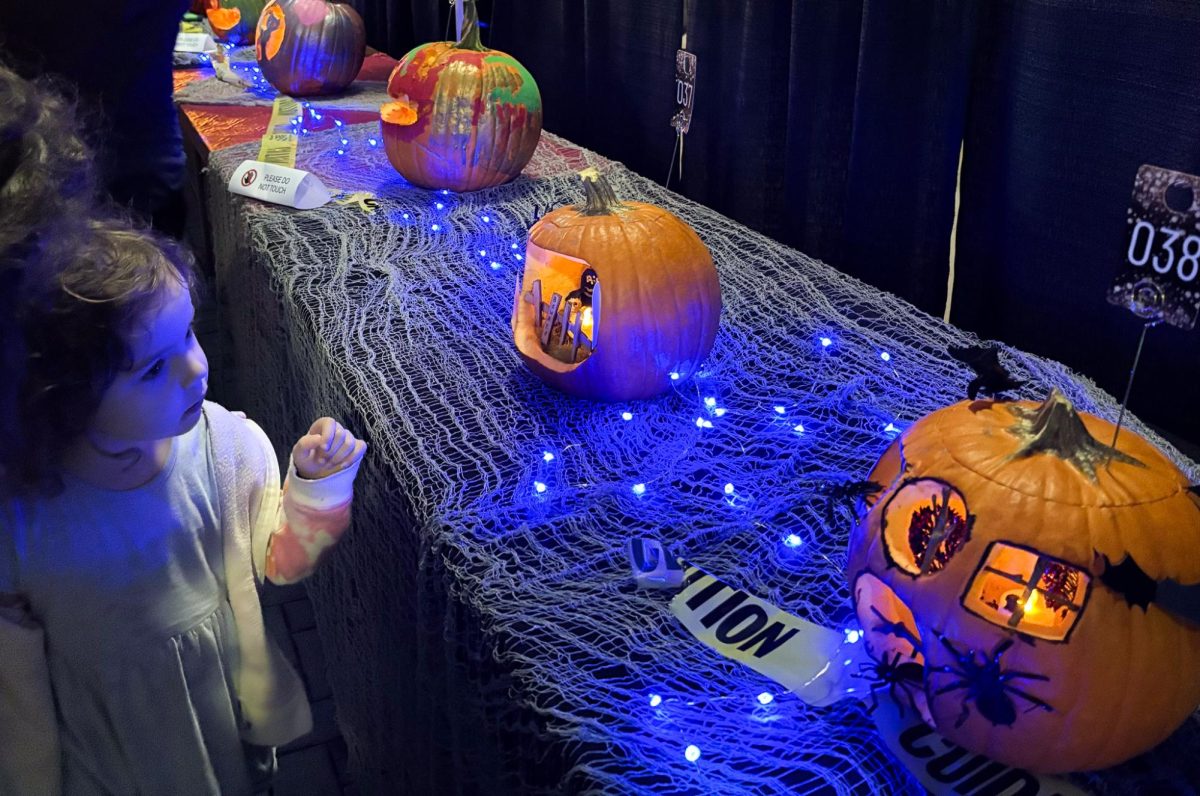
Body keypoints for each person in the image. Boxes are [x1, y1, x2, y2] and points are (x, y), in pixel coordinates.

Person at [0, 215, 368, 794]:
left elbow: (281, 562)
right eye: (152, 368)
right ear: (64, 399)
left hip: (216, 704)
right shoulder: (22, 514)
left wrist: (317, 486)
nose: (196, 368)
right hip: (103, 741)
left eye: (190, 334)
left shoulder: (225, 451)